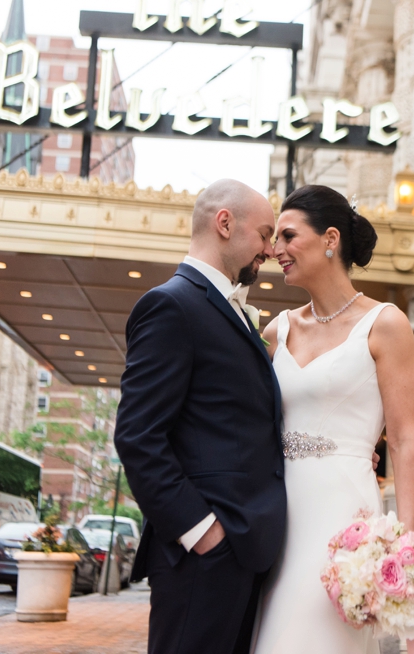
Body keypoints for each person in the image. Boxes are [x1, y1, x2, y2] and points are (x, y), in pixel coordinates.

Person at [252, 185, 414, 654]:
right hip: (277, 518)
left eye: (289, 236)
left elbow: (407, 440)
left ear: (330, 239)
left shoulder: (386, 324)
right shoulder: (276, 331)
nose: (275, 250)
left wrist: (405, 548)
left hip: (344, 520)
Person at [114, 179, 286, 654]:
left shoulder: (230, 310)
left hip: (241, 555)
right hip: (203, 557)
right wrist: (203, 533)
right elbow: (137, 435)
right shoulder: (171, 305)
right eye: (265, 234)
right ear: (225, 224)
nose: (270, 250)